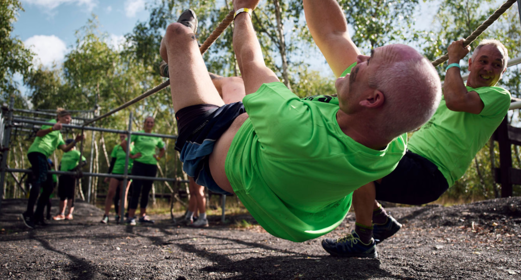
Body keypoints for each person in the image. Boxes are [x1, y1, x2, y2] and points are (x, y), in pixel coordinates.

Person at [161, 0, 440, 244]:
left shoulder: (295, 126)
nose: (361, 57)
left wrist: (242, 10)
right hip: (257, 140)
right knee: (234, 84)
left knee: (178, 33)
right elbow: (333, 34)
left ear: (371, 98)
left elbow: (250, 60)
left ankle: (176, 62)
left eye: (370, 61)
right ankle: (182, 72)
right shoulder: (390, 141)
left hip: (210, 144)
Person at [307, 0, 511, 258]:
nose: (488, 68)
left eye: (496, 65)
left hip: (430, 172)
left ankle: (364, 236)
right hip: (410, 157)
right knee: (352, 147)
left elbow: (457, 100)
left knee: (356, 160)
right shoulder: (449, 85)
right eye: (483, 61)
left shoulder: (497, 95)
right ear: (471, 63)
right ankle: (378, 220)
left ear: (502, 73)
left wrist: (452, 61)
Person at [21, 108, 84, 229]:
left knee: (49, 186)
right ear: (59, 117)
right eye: (66, 117)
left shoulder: (59, 135)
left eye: (70, 118)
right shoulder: (51, 122)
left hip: (44, 156)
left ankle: (38, 216)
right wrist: (52, 128)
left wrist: (75, 141)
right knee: (40, 178)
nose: (69, 120)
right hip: (37, 152)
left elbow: (65, 148)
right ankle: (28, 213)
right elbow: (38, 133)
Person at [121, 116, 166, 225]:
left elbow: (163, 148)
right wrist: (131, 155)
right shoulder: (138, 134)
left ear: (153, 124)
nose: (149, 124)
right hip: (139, 165)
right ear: (144, 123)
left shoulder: (156, 137)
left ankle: (143, 216)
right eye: (148, 122)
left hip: (151, 165)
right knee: (135, 191)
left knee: (146, 191)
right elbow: (123, 143)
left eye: (151, 122)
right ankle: (131, 217)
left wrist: (158, 157)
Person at [100, 133, 133, 224]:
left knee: (123, 194)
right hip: (116, 172)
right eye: (121, 136)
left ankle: (120, 215)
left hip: (127, 173)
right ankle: (106, 215)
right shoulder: (117, 147)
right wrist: (108, 175)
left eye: (124, 136)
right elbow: (112, 162)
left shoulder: (133, 147)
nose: (122, 138)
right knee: (111, 192)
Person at [53, 139, 86, 221]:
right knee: (62, 195)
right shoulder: (65, 153)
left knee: (70, 195)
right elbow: (62, 163)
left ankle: (69, 214)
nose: (66, 145)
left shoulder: (76, 153)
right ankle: (61, 213)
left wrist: (75, 169)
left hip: (71, 176)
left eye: (67, 144)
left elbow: (84, 161)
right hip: (63, 176)